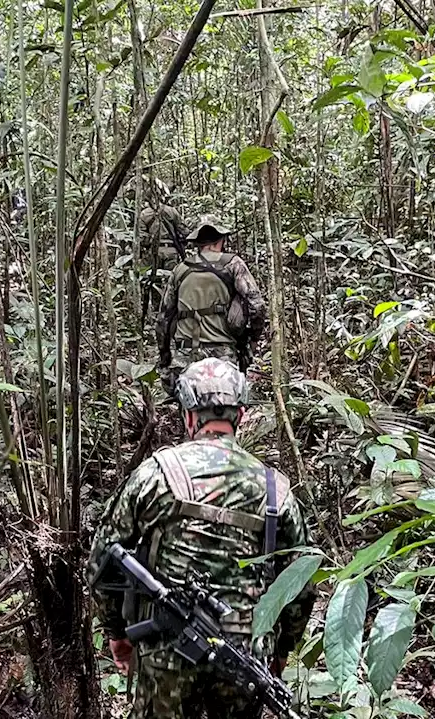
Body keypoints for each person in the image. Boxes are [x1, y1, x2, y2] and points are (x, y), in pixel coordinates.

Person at [87, 358, 314, 719]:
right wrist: (282, 648)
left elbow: (102, 559)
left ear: (189, 415)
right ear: (240, 414)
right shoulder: (276, 489)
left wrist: (116, 632)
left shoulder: (154, 475)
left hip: (166, 655)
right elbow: (300, 584)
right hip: (244, 652)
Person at [156, 215, 266, 393]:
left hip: (185, 355)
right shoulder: (233, 264)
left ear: (198, 242)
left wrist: (165, 356)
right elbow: (257, 305)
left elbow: (163, 319)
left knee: (184, 402)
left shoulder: (180, 270)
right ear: (221, 239)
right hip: (223, 354)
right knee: (230, 401)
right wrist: (252, 341)